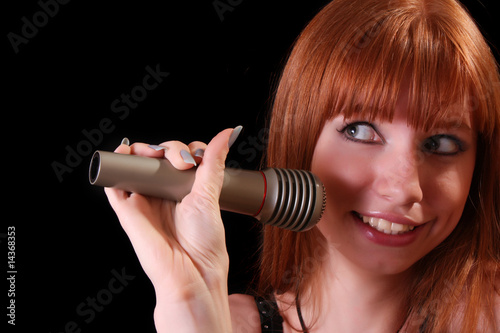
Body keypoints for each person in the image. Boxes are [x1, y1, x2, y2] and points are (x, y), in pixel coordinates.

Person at [104, 0, 500, 331]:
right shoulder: (223, 325)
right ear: (301, 137)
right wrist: (189, 305)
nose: (404, 189)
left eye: (442, 143)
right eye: (361, 131)